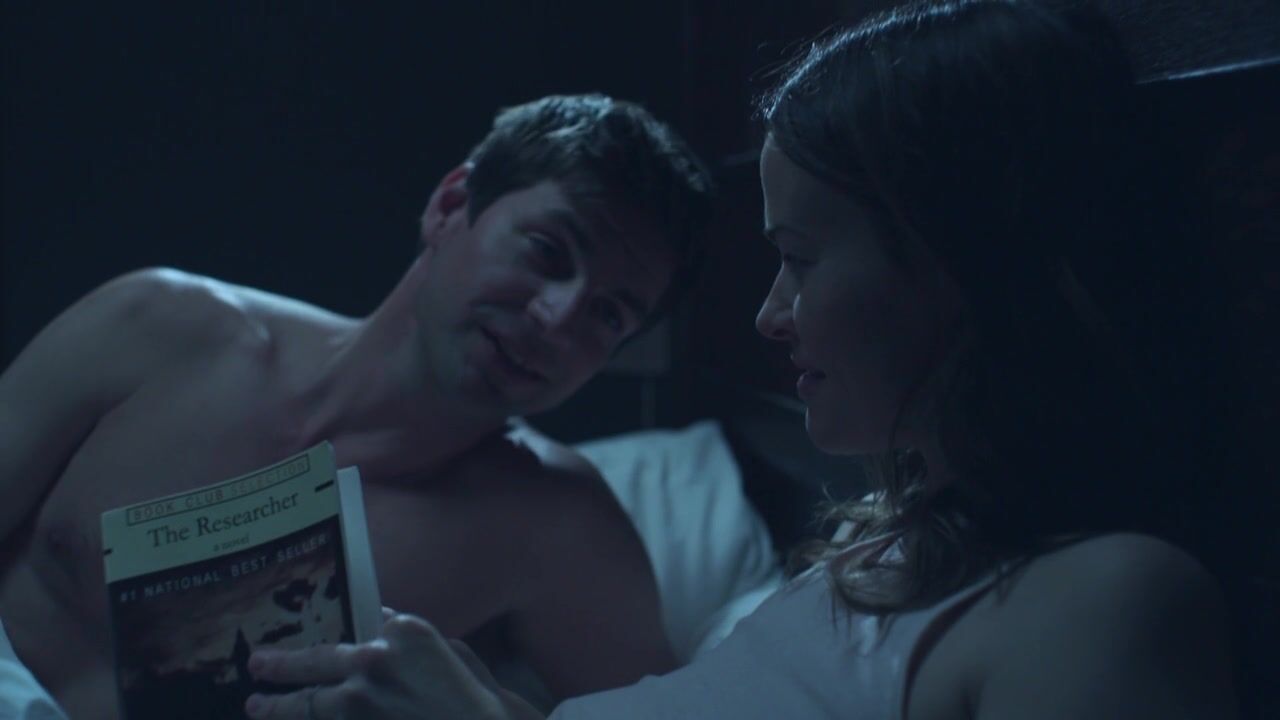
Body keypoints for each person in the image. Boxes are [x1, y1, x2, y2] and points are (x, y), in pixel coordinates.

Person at [241, 1, 1242, 718]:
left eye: (798, 258)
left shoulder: (1108, 603)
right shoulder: (876, 559)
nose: (769, 316)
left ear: (961, 263)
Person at [0, 93, 713, 719]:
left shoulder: (555, 528)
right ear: (450, 206)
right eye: (548, 253)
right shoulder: (157, 327)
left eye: (609, 315)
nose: (557, 319)